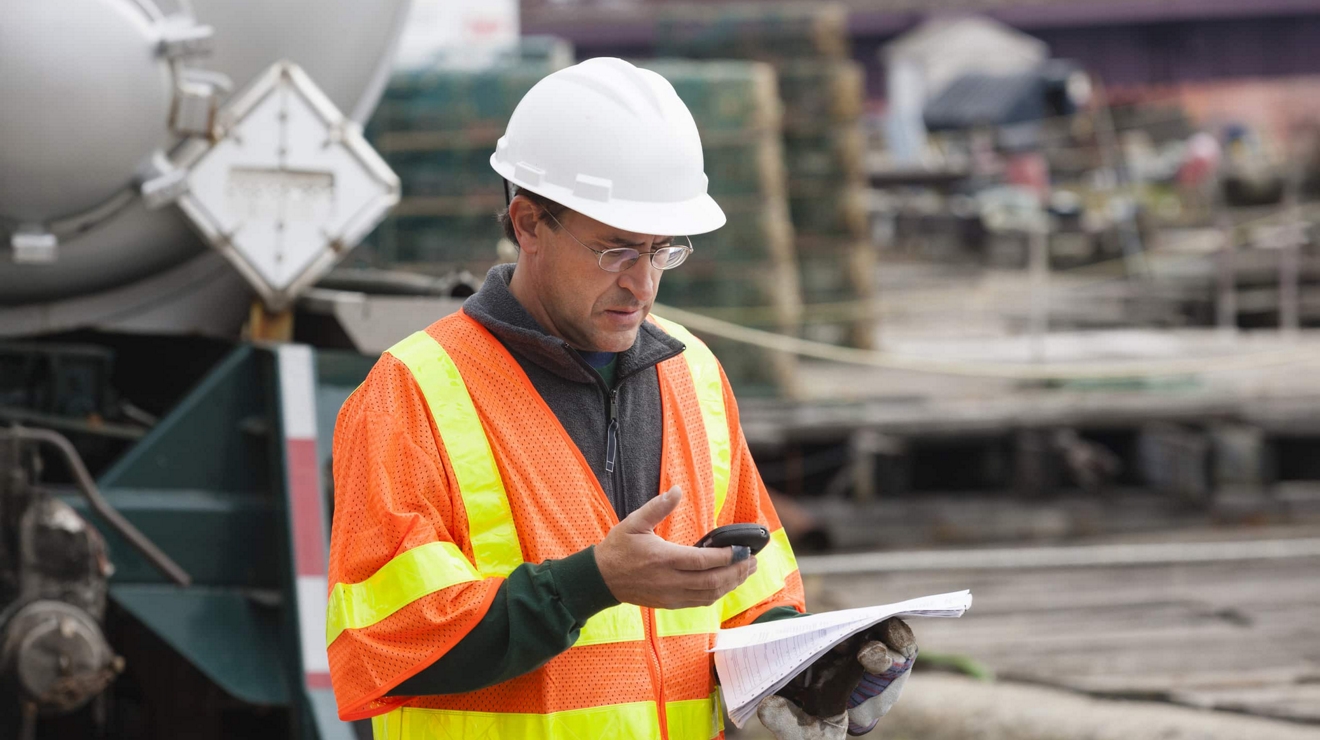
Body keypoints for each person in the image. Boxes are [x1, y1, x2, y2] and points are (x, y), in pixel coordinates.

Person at [326, 57, 913, 740]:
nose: (643, 284)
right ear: (527, 224)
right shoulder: (413, 393)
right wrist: (590, 583)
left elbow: (753, 594)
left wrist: (807, 663)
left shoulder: (692, 370)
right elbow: (383, 645)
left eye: (662, 250)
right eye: (615, 251)